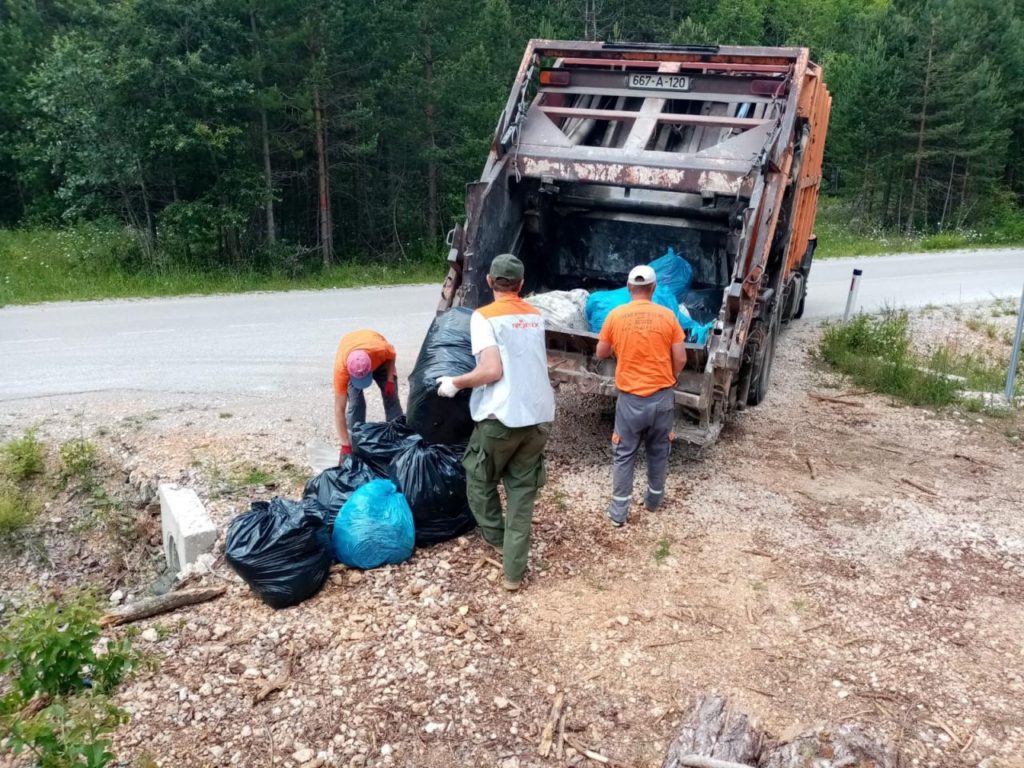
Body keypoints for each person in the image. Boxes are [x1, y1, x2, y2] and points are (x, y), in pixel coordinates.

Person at [436, 254, 555, 591]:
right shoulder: (535, 315)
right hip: (538, 418)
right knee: (521, 492)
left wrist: (454, 383)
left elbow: (491, 371)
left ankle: (496, 539)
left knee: (478, 476)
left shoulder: (483, 317)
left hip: (500, 418)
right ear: (521, 285)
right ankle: (513, 573)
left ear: (489, 281)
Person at [595, 265, 686, 527]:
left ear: (628, 288)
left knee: (624, 453)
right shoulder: (668, 316)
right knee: (659, 451)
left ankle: (618, 514)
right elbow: (680, 358)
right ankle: (654, 502)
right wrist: (671, 378)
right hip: (662, 398)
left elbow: (601, 352)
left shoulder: (616, 315)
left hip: (630, 401)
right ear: (653, 288)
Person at [333, 330, 403, 463]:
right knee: (355, 404)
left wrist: (389, 379)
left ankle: (398, 437)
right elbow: (339, 409)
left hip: (380, 361)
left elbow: (392, 355)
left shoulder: (380, 349)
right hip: (351, 356)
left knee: (392, 398)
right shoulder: (342, 371)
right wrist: (344, 445)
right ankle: (355, 442)